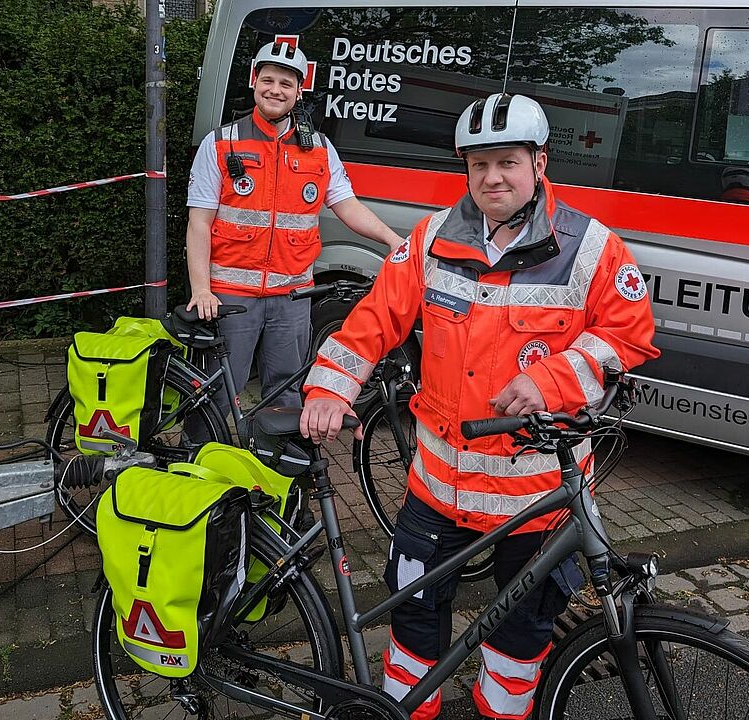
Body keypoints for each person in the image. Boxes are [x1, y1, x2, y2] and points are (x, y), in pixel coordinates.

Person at [300, 93, 659, 720]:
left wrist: (553, 381)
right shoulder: (432, 238)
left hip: (538, 492)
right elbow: (375, 318)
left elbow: (629, 332)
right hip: (438, 485)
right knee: (413, 614)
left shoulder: (593, 248)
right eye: (478, 164)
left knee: (522, 632)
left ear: (539, 162)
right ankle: (408, 711)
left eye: (507, 162)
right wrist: (331, 387)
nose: (492, 177)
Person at [185, 40, 402, 420]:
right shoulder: (219, 144)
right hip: (232, 297)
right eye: (268, 80)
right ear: (254, 82)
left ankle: (276, 470)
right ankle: (201, 468)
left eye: (286, 84)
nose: (275, 90)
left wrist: (391, 238)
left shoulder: (319, 148)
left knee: (285, 391)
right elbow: (199, 223)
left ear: (298, 91)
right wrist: (201, 289)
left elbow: (346, 205)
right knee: (217, 393)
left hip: (292, 299)